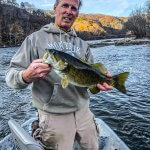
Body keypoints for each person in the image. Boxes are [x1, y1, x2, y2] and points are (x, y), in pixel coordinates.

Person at [5, 0, 112, 149]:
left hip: (84, 113)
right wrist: (25, 76)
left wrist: (99, 83)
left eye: (74, 8)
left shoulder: (83, 45)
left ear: (77, 14)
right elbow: (10, 76)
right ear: (55, 8)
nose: (69, 11)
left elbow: (88, 81)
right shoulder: (34, 39)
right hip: (53, 117)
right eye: (65, 5)